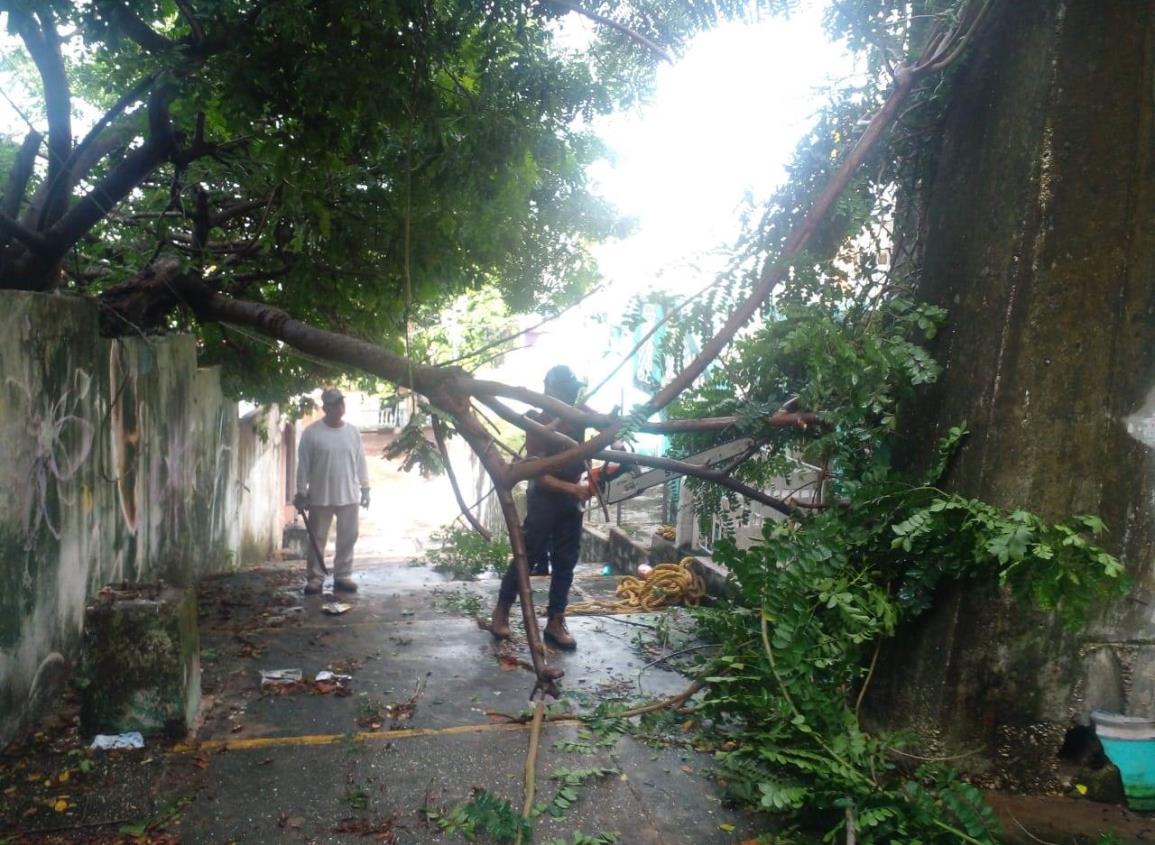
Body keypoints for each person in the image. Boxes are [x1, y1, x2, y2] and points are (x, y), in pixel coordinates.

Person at [490, 365, 591, 650]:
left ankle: (556, 621)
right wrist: (572, 489)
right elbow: (538, 473)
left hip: (572, 501)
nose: (571, 395)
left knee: (566, 560)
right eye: (566, 390)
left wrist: (614, 424)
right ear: (551, 390)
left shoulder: (579, 414)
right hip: (545, 499)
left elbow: (603, 425)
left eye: (573, 390)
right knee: (528, 554)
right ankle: (502, 610)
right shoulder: (537, 420)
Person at [293, 388, 371, 595]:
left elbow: (361, 462)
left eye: (341, 403)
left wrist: (366, 488)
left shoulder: (352, 432)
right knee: (317, 537)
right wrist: (301, 492)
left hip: (349, 494)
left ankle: (343, 575)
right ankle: (315, 578)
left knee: (348, 536)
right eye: (335, 404)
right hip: (321, 495)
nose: (340, 407)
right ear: (325, 408)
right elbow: (303, 466)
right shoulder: (312, 433)